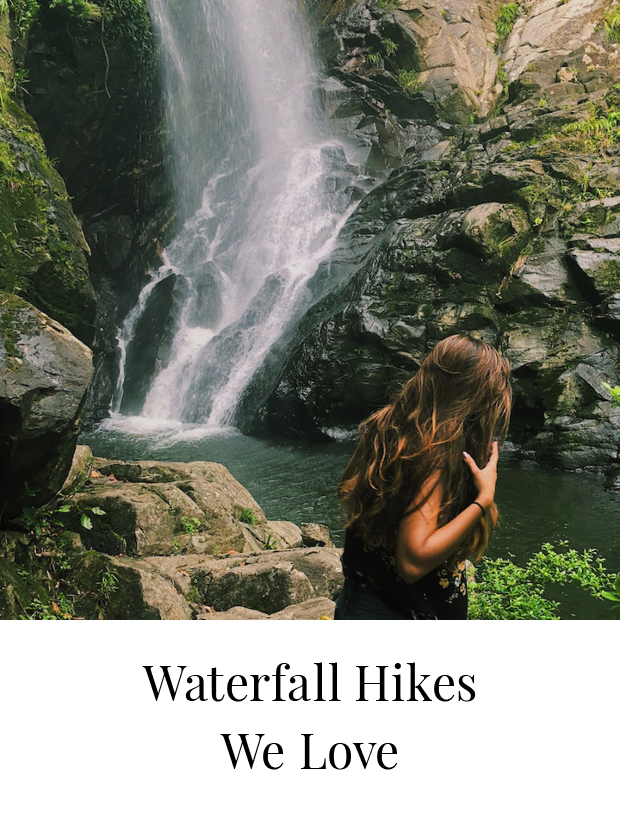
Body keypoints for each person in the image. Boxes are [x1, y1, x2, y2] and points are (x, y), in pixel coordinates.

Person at [334, 334, 512, 620]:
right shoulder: (436, 453)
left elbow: (347, 488)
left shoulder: (386, 425)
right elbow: (412, 562)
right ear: (473, 396)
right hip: (395, 610)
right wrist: (482, 499)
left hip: (362, 597)